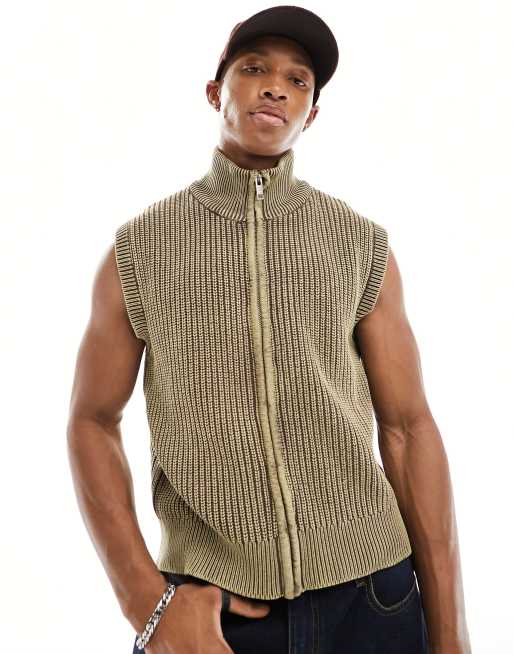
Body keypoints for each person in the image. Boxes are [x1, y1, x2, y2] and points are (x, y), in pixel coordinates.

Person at [66, 6, 472, 653]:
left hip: (373, 598)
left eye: (297, 79)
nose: (276, 87)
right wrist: (147, 604)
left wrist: (449, 634)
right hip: (217, 608)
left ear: (311, 112)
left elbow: (408, 428)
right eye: (254, 69)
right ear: (215, 92)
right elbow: (91, 420)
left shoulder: (358, 243)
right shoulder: (139, 250)